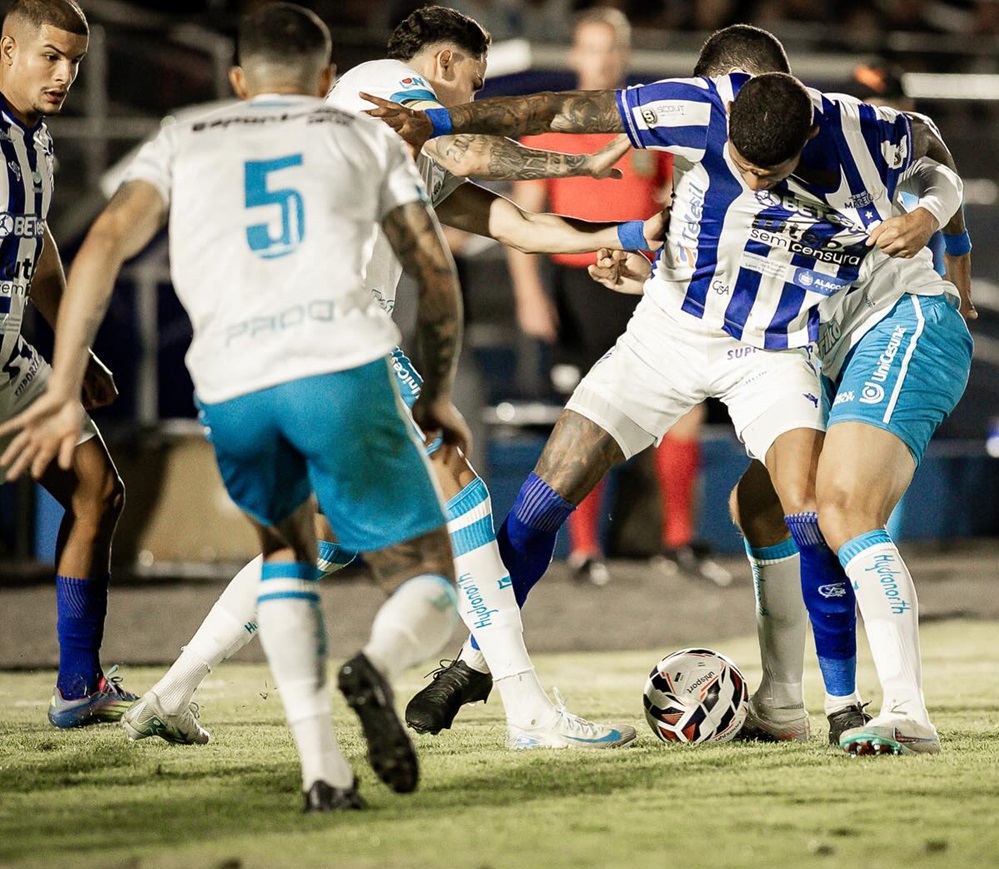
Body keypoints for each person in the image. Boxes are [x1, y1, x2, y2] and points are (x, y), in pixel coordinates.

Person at [362, 22, 968, 748]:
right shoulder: (694, 110)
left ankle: (835, 703)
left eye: (765, 171)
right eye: (740, 161)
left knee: (803, 510)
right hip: (666, 334)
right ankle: (472, 662)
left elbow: (933, 153)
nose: (750, 179)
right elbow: (554, 109)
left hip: (772, 350)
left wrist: (943, 235)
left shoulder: (857, 131)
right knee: (541, 496)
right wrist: (433, 118)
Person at [116, 5, 645, 753]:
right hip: (336, 327)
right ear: (442, 64)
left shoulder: (395, 149)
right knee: (464, 499)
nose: (472, 96)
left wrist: (620, 236)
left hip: (271, 339)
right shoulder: (387, 86)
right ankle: (526, 709)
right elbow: (467, 150)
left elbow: (516, 226)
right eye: (474, 80)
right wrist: (574, 164)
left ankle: (169, 693)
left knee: (318, 540)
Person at [1, 2, 474, 812]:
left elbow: (104, 243)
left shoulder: (189, 132)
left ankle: (322, 768)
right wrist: (435, 391)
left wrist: (66, 370)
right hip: (334, 365)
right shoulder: (365, 136)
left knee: (285, 554)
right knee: (431, 572)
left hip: (230, 380)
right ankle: (376, 671)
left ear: (235, 79)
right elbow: (433, 276)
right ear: (327, 82)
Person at [506, 8, 728, 587]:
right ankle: (583, 549)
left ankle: (678, 541)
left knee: (686, 407)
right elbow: (521, 216)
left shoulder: (650, 126)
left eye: (611, 50)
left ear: (623, 56)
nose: (601, 60)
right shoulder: (550, 121)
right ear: (576, 56)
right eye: (591, 49)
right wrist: (530, 295)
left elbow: (672, 205)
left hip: (645, 280)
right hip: (579, 285)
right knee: (588, 412)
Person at [0, 0, 135, 729]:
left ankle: (78, 685)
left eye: (75, 62)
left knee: (97, 490)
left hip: (8, 360)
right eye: (50, 56)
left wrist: (74, 351)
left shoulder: (37, 144)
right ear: (7, 49)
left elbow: (38, 239)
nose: (64, 74)